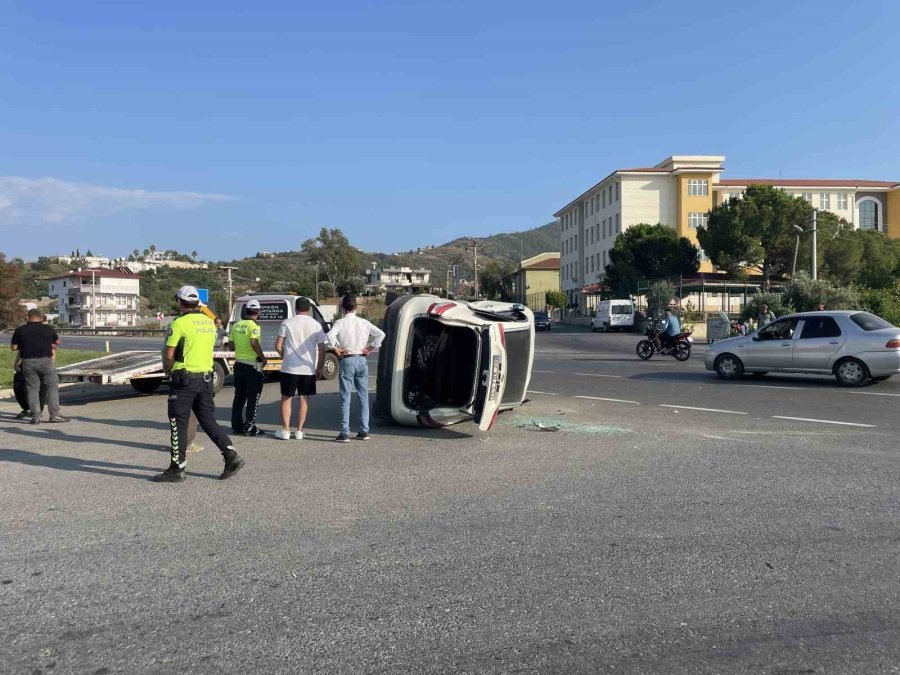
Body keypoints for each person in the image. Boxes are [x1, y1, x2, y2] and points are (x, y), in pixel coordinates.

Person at [153, 286, 244, 483]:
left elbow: (169, 353)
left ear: (179, 302)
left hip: (184, 379)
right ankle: (231, 455)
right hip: (206, 379)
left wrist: (168, 369)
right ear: (197, 303)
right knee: (208, 420)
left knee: (178, 421)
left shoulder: (179, 323)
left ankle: (177, 468)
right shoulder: (209, 323)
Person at [326, 295, 385, 442]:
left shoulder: (340, 322)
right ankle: (364, 431)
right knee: (363, 397)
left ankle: (344, 432)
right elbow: (381, 334)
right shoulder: (364, 322)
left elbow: (330, 336)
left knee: (345, 397)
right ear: (356, 308)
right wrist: (370, 348)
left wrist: (336, 348)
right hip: (361, 359)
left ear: (342, 307)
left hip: (347, 358)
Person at [274, 297, 326, 440]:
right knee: (304, 398)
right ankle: (299, 431)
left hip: (289, 368)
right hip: (308, 368)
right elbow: (322, 349)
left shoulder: (287, 323)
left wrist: (285, 356)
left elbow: (278, 346)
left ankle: (285, 430)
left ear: (295, 308)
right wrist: (319, 367)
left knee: (286, 398)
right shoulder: (316, 325)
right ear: (309, 309)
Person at [10, 309, 67, 425]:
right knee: (52, 387)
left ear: (28, 317)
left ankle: (35, 416)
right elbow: (58, 342)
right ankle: (54, 415)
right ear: (41, 318)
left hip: (28, 362)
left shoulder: (20, 330)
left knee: (32, 389)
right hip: (46, 361)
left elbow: (14, 347)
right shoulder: (48, 329)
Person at [229, 299, 267, 436]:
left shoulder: (236, 325)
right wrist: (263, 358)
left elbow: (231, 345)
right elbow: (254, 342)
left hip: (239, 364)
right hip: (252, 366)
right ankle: (250, 426)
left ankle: (236, 426)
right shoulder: (254, 326)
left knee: (239, 396)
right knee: (253, 396)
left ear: (245, 311)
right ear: (258, 312)